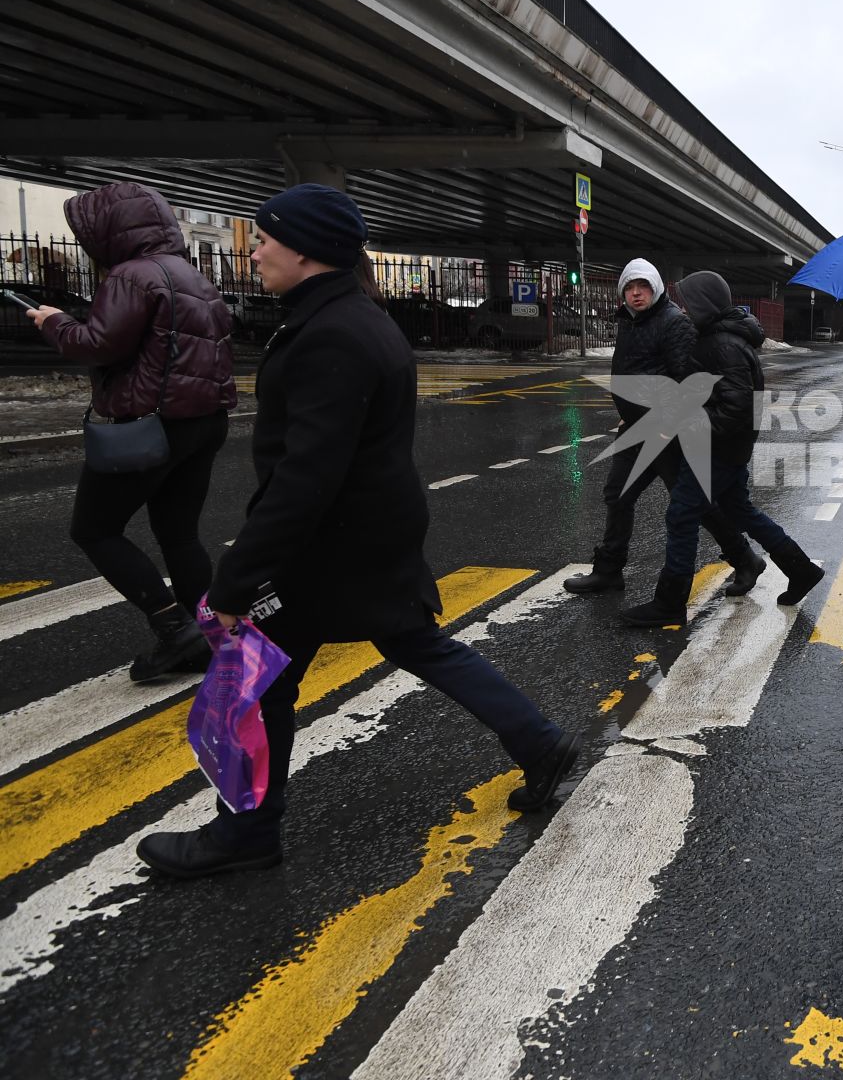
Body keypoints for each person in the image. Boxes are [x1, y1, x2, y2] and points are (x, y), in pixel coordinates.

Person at [135, 185, 578, 879]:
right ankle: (539, 740)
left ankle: (245, 834)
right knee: (412, 644)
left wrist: (236, 578)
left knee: (255, 684)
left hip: (327, 547)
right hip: (366, 533)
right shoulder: (351, 318)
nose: (255, 253)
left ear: (307, 248)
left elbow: (305, 476)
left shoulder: (332, 333)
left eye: (266, 238)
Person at [27, 183, 237, 683]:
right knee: (180, 534)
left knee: (95, 529)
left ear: (112, 230)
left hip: (148, 424)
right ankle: (210, 634)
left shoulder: (131, 276)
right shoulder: (193, 276)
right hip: (203, 422)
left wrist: (54, 322)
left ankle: (175, 629)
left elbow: (99, 346)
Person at [621, 271, 823, 627]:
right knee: (741, 512)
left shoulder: (722, 345)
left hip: (715, 450)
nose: (683, 308)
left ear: (704, 304)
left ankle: (669, 603)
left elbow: (735, 410)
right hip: (727, 450)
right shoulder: (719, 338)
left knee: (681, 515)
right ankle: (801, 570)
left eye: (688, 302)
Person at [563, 258, 762, 597]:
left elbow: (688, 381)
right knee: (618, 494)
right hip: (637, 428)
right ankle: (609, 570)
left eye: (643, 287)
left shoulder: (674, 324)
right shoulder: (629, 321)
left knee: (692, 504)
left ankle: (744, 558)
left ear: (655, 289)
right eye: (630, 287)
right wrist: (628, 410)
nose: (636, 293)